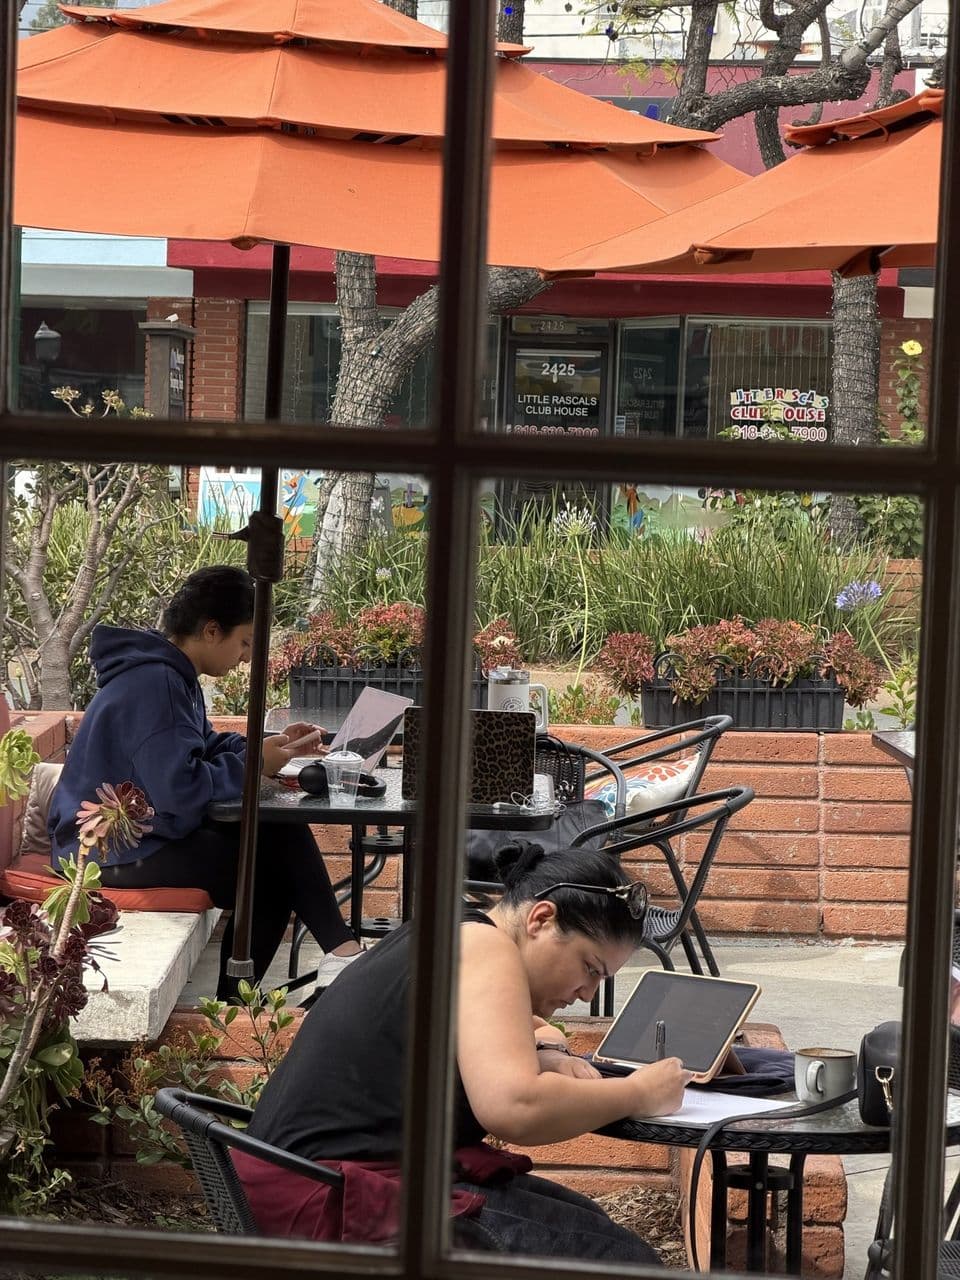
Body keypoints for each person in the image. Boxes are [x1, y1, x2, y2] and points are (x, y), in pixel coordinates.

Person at [236, 841, 692, 1259]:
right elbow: (515, 1107)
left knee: (592, 1225)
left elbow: (461, 1025)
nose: (588, 993)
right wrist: (640, 1092)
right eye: (590, 968)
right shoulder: (486, 948)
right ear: (541, 919)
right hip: (330, 1206)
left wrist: (544, 1044)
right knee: (626, 1261)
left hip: (297, 1185)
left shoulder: (455, 927)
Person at [48, 564, 362, 999]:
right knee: (269, 856)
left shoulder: (168, 674)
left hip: (136, 840)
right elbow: (180, 790)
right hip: (104, 852)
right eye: (245, 642)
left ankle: (288, 978)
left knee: (271, 848)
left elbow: (202, 746)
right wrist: (256, 765)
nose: (248, 656)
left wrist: (265, 748)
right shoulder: (156, 683)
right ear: (212, 630)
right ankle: (330, 958)